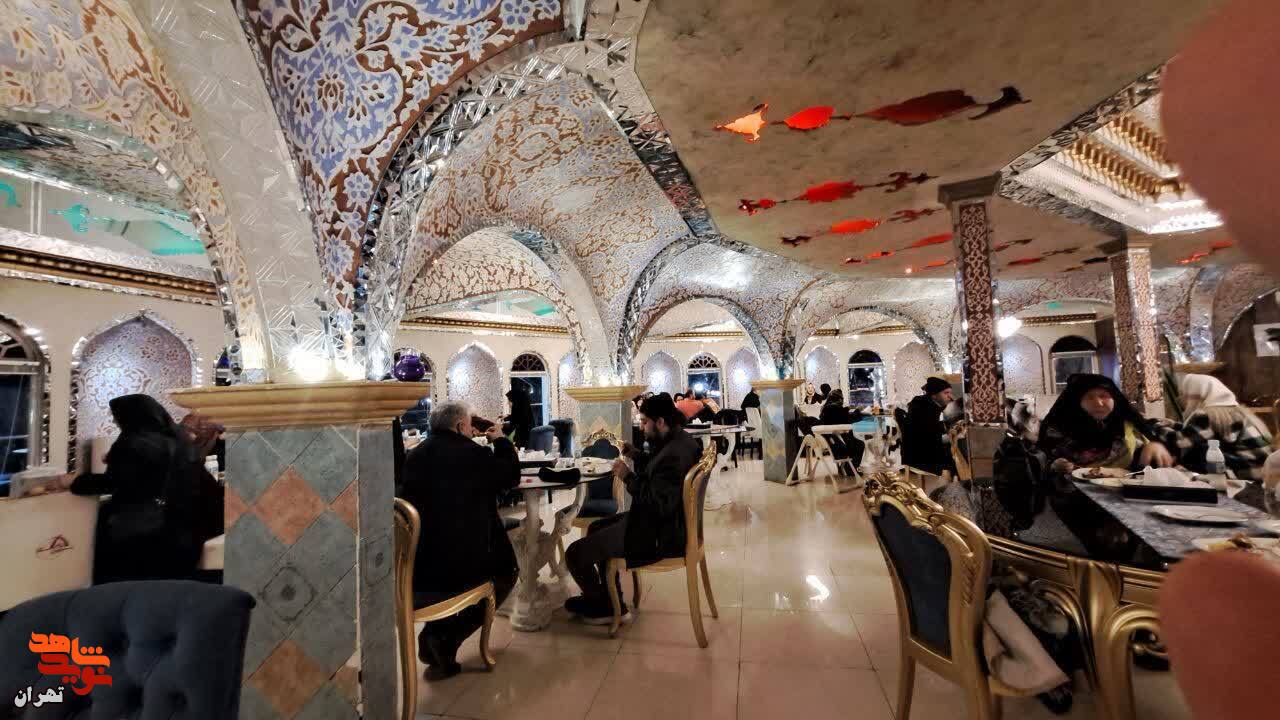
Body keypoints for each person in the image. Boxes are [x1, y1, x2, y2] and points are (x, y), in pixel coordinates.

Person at [398, 401, 519, 680]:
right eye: (469, 424)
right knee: (507, 573)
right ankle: (445, 637)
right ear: (461, 425)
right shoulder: (473, 454)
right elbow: (510, 477)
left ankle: (435, 635)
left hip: (421, 561)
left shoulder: (415, 456)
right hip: (463, 561)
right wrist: (501, 441)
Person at [564, 394, 701, 623]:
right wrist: (635, 454)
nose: (641, 426)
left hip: (658, 535)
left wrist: (627, 477)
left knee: (574, 553)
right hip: (663, 523)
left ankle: (602, 606)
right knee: (596, 527)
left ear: (660, 422)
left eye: (645, 421)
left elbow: (656, 502)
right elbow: (660, 472)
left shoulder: (673, 454)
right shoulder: (680, 441)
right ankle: (610, 600)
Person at [65, 395, 222, 585]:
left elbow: (112, 483)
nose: (114, 421)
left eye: (116, 417)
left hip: (145, 535)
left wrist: (74, 482)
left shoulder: (133, 442)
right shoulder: (179, 439)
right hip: (184, 532)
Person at [1037, 374, 1174, 472]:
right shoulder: (1058, 428)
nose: (1099, 403)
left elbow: (1168, 438)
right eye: (1090, 397)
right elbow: (1040, 460)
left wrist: (1155, 444)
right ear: (1076, 402)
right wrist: (1053, 466)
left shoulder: (1130, 424)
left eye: (1104, 396)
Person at [1174, 374, 1272, 481]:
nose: (1180, 399)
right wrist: (1173, 425)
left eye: (1184, 394)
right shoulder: (1235, 411)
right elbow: (1197, 433)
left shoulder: (1207, 415)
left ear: (1195, 395)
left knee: (1189, 462)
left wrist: (1158, 428)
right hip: (1263, 473)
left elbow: (1179, 442)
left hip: (1245, 475)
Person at [901, 377, 957, 476]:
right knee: (957, 453)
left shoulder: (926, 403)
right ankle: (957, 482)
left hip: (918, 450)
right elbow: (928, 433)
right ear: (934, 395)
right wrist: (949, 430)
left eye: (950, 393)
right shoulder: (924, 407)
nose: (950, 396)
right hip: (920, 455)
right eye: (946, 393)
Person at [818, 389, 866, 474]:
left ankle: (847, 467)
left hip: (832, 440)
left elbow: (841, 416)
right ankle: (850, 468)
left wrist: (848, 409)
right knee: (860, 444)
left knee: (855, 440)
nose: (842, 401)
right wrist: (858, 411)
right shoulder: (834, 408)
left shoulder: (826, 408)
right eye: (842, 398)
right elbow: (848, 419)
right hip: (839, 443)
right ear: (839, 399)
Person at [504, 379, 535, 448]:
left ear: (516, 402)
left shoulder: (522, 422)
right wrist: (507, 417)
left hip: (521, 448)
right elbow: (516, 417)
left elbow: (514, 425)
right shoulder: (524, 412)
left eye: (509, 401)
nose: (508, 403)